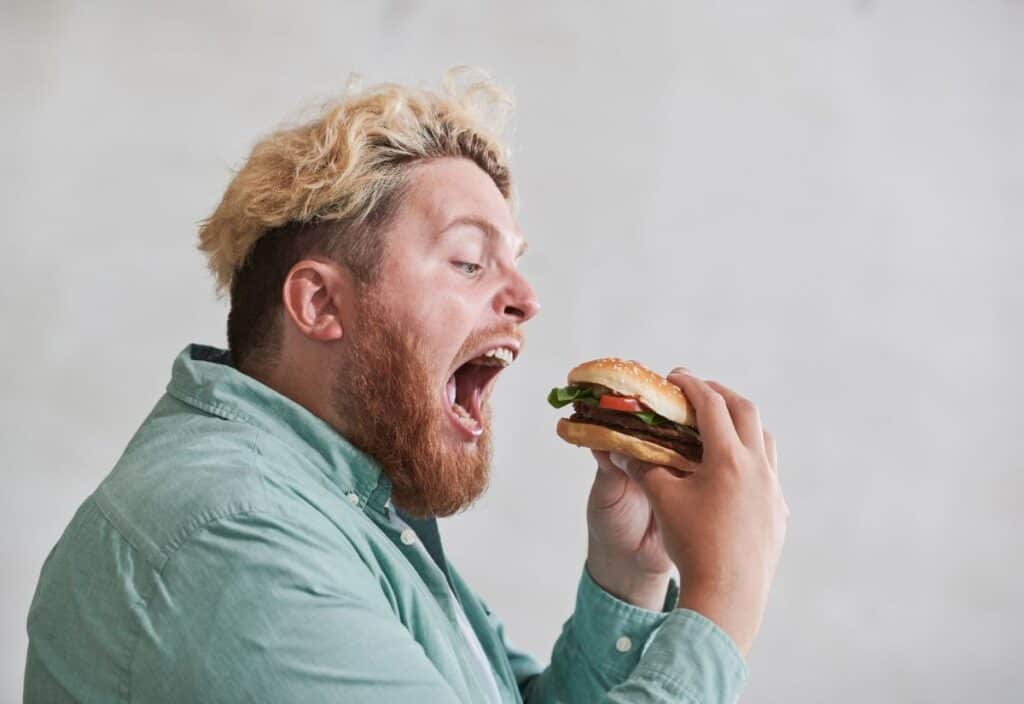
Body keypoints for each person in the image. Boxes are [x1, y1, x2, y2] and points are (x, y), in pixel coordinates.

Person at [24, 68, 788, 703]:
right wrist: (721, 603)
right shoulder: (233, 539)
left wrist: (631, 573)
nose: (526, 298)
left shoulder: (341, 507)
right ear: (321, 303)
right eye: (468, 261)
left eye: (517, 260)